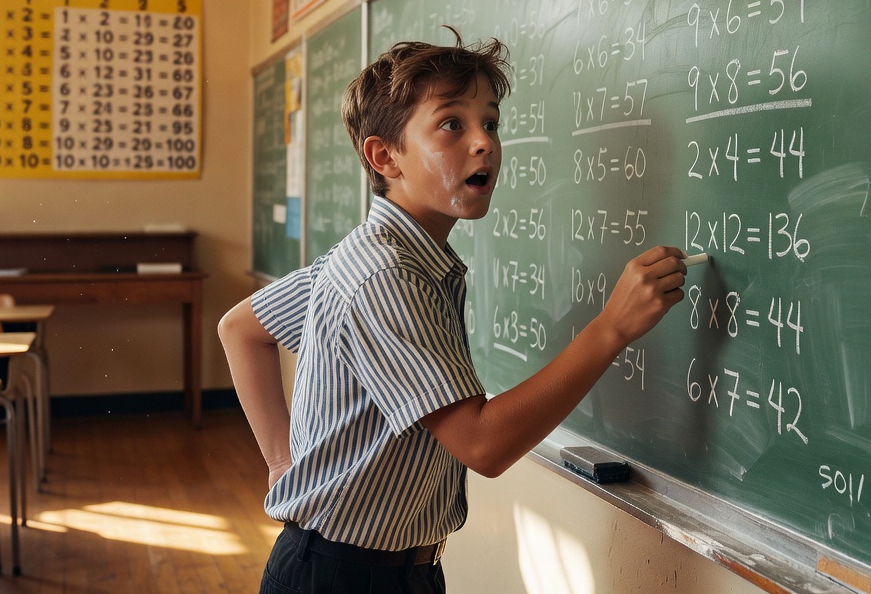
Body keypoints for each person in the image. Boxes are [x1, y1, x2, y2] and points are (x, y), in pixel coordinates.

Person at [219, 31, 688, 594]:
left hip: (381, 565)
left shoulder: (382, 254)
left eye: (490, 122)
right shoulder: (386, 275)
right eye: (451, 124)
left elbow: (240, 328)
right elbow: (483, 445)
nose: (483, 142)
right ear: (384, 156)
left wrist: (280, 463)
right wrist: (611, 328)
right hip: (344, 575)